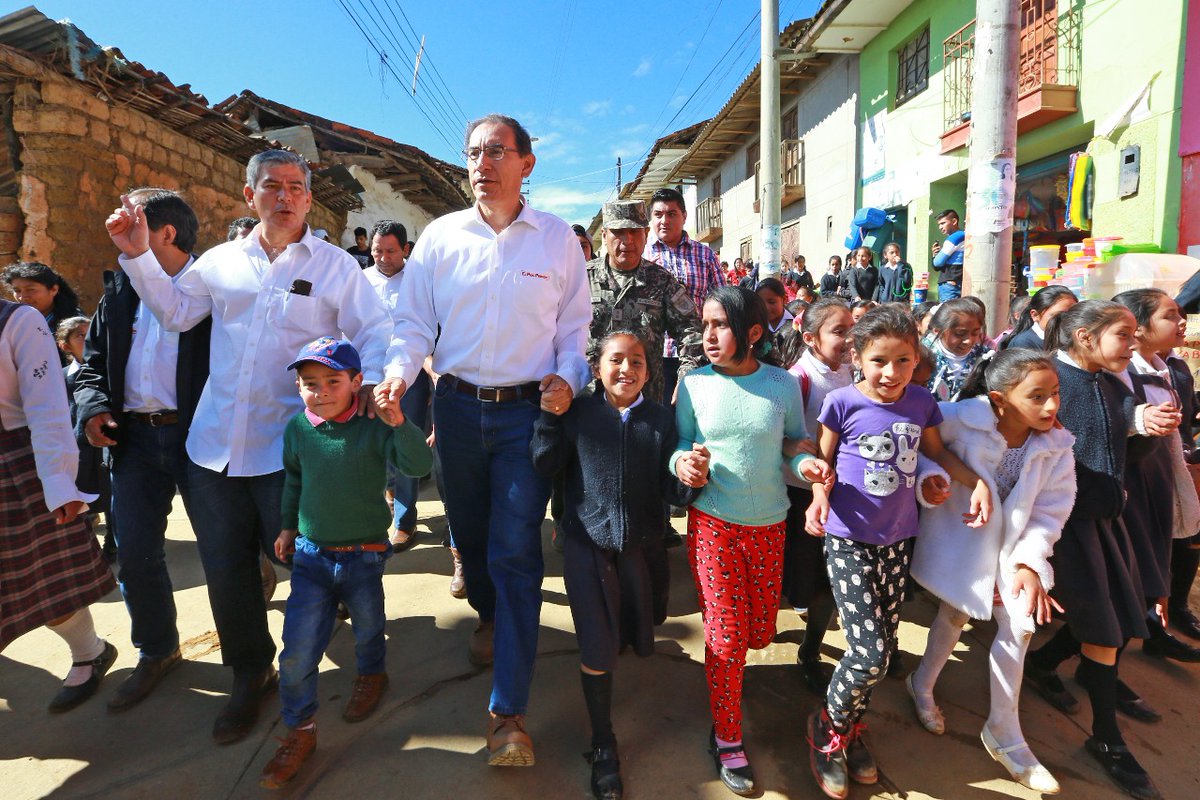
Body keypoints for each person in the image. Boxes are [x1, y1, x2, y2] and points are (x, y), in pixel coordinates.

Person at [105, 149, 393, 745]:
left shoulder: (336, 267)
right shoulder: (220, 262)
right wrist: (137, 254)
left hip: (290, 451)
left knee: (310, 563)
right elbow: (179, 313)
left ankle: (356, 652)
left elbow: (374, 333)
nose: (284, 196)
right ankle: (249, 672)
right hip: (213, 449)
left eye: (295, 187)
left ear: (309, 199)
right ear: (249, 195)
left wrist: (369, 394)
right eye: (272, 186)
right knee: (227, 571)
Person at [374, 114, 590, 767]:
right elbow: (413, 323)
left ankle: (508, 714)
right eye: (473, 152)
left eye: (496, 150)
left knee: (517, 549)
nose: (481, 162)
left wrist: (569, 379)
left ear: (527, 162)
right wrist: (395, 376)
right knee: (471, 539)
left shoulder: (556, 241)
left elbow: (576, 331)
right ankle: (491, 618)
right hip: (458, 411)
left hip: (527, 413)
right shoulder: (440, 238)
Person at [804, 304, 991, 800]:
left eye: (903, 361)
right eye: (880, 360)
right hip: (848, 540)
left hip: (898, 541)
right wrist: (819, 498)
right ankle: (827, 729)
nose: (891, 373)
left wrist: (975, 483)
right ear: (858, 357)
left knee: (881, 656)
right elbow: (820, 465)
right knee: (867, 655)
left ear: (916, 360)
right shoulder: (840, 403)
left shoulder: (922, 402)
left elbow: (937, 453)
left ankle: (851, 727)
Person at [672, 286, 833, 796]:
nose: (709, 336)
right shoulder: (693, 383)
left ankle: (734, 689)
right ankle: (727, 735)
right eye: (704, 326)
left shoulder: (784, 385)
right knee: (724, 638)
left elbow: (790, 443)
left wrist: (804, 465)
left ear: (754, 332)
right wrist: (683, 463)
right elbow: (680, 443)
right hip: (713, 526)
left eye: (719, 325)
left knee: (759, 630)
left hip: (770, 526)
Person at [531, 330, 697, 800]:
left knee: (636, 628)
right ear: (597, 368)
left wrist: (690, 479)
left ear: (650, 370)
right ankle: (602, 742)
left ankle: (620, 643)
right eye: (616, 361)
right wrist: (547, 418)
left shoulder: (660, 421)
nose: (627, 370)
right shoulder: (578, 413)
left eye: (638, 362)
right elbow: (546, 464)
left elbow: (673, 492)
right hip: (587, 548)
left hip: (642, 550)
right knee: (597, 649)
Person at [259, 337, 431, 789]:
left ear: (357, 382)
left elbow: (418, 465)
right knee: (295, 651)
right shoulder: (299, 429)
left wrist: (399, 424)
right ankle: (299, 730)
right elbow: (294, 480)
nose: (320, 391)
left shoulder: (375, 427)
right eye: (309, 383)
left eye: (333, 381)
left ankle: (372, 674)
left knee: (370, 625)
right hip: (312, 556)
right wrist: (287, 527)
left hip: (365, 555)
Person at [1023, 301, 1178, 800]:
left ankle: (1044, 666)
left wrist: (1145, 427)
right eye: (1124, 335)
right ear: (1086, 338)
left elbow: (1117, 442)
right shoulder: (1053, 384)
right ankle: (1107, 739)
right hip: (1063, 524)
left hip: (1107, 519)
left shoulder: (1113, 383)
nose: (1133, 345)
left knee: (1117, 615)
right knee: (1105, 626)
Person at [908, 349, 1075, 793]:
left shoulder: (1056, 445)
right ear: (1000, 399)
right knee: (954, 614)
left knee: (1019, 626)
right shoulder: (960, 418)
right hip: (962, 542)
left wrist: (1030, 561)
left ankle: (1004, 731)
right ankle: (922, 683)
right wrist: (932, 481)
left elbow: (1050, 511)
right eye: (1036, 396)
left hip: (1012, 554)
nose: (1051, 406)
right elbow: (923, 449)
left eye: (1054, 393)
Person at [74, 188, 213, 712]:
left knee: (223, 552)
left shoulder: (210, 288)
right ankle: (157, 650)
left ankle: (250, 662)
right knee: (133, 554)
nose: (117, 226)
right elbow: (91, 366)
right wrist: (92, 410)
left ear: (165, 234)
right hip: (132, 442)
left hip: (199, 438)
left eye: (132, 221)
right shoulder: (119, 294)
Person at [0, 299, 117, 712]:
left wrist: (59, 483)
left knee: (44, 579)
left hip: (14, 464)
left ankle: (89, 652)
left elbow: (47, 406)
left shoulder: (17, 321)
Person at [1112, 290, 1200, 664]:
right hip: (1134, 487)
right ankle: (1068, 663)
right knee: (1133, 584)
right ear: (1140, 328)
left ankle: (1152, 630)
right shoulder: (1125, 372)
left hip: (1160, 482)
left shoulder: (1166, 367)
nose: (1181, 322)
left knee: (1151, 579)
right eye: (1170, 315)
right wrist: (1138, 421)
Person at [783, 298, 854, 696]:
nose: (848, 339)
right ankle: (805, 641)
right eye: (838, 331)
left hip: (842, 492)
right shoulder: (798, 378)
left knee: (828, 580)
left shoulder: (852, 372)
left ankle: (809, 651)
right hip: (801, 496)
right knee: (807, 577)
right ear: (810, 338)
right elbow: (784, 435)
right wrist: (796, 449)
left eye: (850, 329)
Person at [586, 200, 703, 404]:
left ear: (646, 233)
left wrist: (687, 374)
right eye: (618, 232)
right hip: (590, 398)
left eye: (634, 231)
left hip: (645, 401)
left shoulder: (661, 280)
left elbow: (691, 329)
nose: (627, 240)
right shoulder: (581, 278)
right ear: (604, 235)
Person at [361, 219, 428, 553]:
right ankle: (382, 506)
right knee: (373, 447)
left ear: (405, 250)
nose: (383, 257)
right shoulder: (359, 282)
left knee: (403, 446)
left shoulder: (418, 283)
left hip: (408, 378)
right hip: (367, 378)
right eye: (377, 250)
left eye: (390, 251)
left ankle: (404, 520)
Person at [643, 187, 725, 403]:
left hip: (698, 351)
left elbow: (722, 301)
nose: (664, 221)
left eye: (672, 214)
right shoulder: (642, 256)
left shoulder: (704, 254)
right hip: (654, 355)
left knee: (696, 414)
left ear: (684, 216)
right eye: (658, 215)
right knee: (660, 418)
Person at [3, 262, 84, 366]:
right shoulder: (14, 322)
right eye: (17, 291)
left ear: (54, 289)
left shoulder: (75, 324)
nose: (22, 297)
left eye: (31, 290)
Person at [925, 298, 991, 401]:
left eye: (975, 333)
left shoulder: (986, 357)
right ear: (937, 331)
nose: (968, 341)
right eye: (960, 334)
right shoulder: (921, 357)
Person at [1003, 286, 1077, 351]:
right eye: (1059, 315)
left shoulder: (1074, 341)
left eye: (1073, 314)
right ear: (1035, 315)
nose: (1068, 320)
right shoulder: (1023, 345)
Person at [931, 210, 965, 300]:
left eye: (943, 223)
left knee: (948, 313)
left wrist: (935, 257)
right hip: (954, 283)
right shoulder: (960, 236)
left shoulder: (955, 237)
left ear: (954, 221)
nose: (940, 227)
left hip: (950, 285)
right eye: (939, 224)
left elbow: (937, 263)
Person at [755, 277, 793, 354]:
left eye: (772, 302)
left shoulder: (796, 325)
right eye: (761, 302)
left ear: (784, 299)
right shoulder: (755, 325)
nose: (766, 308)